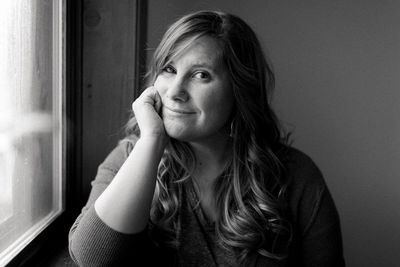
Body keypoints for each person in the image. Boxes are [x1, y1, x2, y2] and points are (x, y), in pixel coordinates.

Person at [69, 10, 345, 267]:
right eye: (169, 69)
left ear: (239, 91)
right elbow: (92, 259)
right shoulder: (131, 157)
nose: (175, 91)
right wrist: (152, 141)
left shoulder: (297, 177)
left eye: (201, 75)